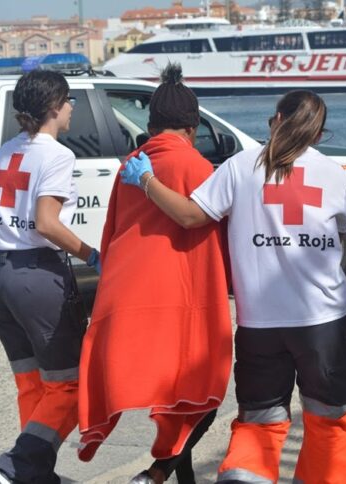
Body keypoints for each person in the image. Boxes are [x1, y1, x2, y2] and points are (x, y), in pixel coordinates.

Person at [122, 90, 346, 483]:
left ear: (275, 119)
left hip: (260, 324)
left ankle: (245, 476)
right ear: (318, 135)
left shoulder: (240, 165)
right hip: (324, 322)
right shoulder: (334, 174)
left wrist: (145, 179)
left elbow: (190, 216)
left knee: (259, 424)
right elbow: (340, 233)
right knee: (329, 422)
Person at [77, 63, 232, 484]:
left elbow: (112, 231)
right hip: (179, 301)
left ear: (152, 123)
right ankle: (156, 475)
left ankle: (170, 477)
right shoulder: (197, 167)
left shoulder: (132, 162)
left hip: (127, 294)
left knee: (175, 398)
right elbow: (208, 230)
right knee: (198, 398)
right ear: (193, 124)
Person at [0, 69, 101, 484]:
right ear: (53, 109)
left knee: (32, 385)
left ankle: (34, 475)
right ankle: (14, 469)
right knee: (68, 386)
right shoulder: (57, 156)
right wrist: (95, 255)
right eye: (68, 101)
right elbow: (47, 223)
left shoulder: (4, 152)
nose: (72, 108)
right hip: (37, 278)